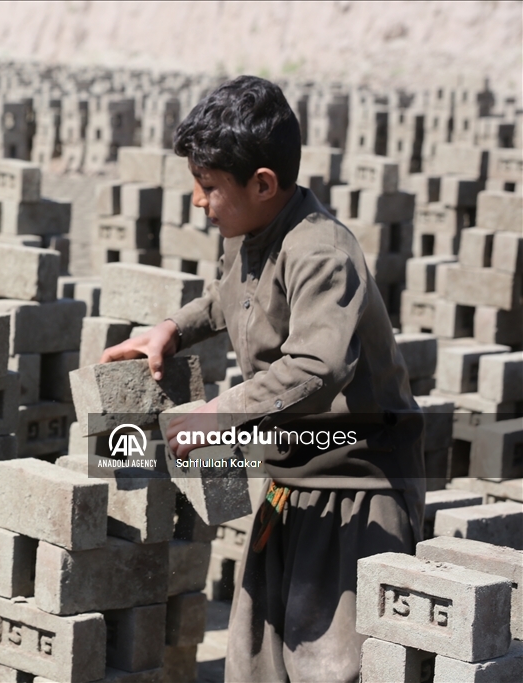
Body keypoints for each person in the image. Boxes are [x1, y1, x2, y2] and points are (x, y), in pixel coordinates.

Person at [100, 76, 425, 683]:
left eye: (208, 188)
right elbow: (231, 303)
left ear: (264, 184)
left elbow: (317, 367)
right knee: (254, 663)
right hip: (290, 476)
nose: (199, 202)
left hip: (355, 488)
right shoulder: (249, 235)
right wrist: (172, 328)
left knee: (332, 668)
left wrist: (217, 414)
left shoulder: (322, 252)